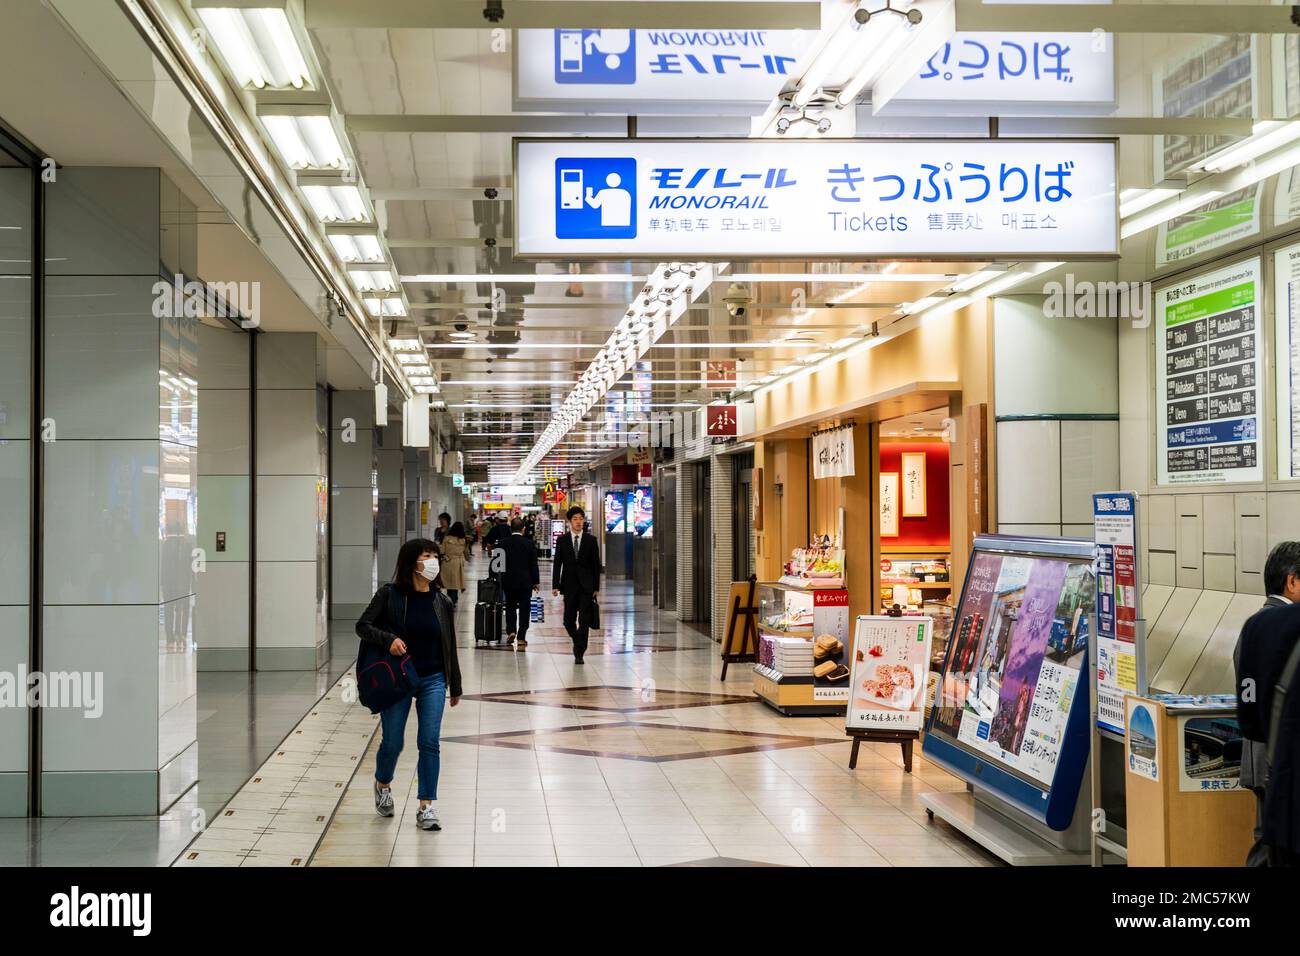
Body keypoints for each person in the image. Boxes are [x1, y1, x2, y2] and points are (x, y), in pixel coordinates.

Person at [355, 538, 463, 832]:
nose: (433, 562)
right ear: (411, 561)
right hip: (399, 678)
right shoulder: (390, 595)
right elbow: (362, 626)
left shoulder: (442, 601)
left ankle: (426, 807)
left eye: (435, 556)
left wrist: (455, 684)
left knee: (429, 741)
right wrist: (388, 641)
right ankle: (383, 783)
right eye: (426, 556)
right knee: (393, 741)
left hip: (433, 678)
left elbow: (449, 645)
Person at [1236, 541, 1300, 865]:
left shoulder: (1254, 626)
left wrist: (1255, 731)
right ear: (1292, 581)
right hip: (1280, 759)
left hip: (1257, 754)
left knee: (1264, 837)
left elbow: (1246, 689)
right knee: (1270, 844)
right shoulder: (1286, 629)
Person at [552, 505, 601, 664]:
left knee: (585, 620)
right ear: (569, 522)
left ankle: (580, 652)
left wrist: (596, 587)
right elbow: (557, 564)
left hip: (587, 586)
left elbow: (596, 565)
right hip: (569, 585)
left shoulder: (591, 540)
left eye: (581, 519)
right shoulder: (562, 540)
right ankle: (578, 640)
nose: (578, 522)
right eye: (575, 519)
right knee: (568, 620)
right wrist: (555, 585)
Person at [500, 517, 540, 650]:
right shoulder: (529, 544)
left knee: (510, 606)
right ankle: (522, 636)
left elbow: (496, 564)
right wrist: (536, 581)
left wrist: (495, 578)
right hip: (525, 582)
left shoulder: (502, 543)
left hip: (508, 581)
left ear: (511, 529)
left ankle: (511, 630)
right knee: (525, 608)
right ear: (523, 529)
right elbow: (533, 564)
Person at [440, 521, 467, 605]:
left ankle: (449, 600)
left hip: (447, 562)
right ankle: (454, 600)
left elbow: (442, 551)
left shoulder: (447, 538)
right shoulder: (463, 540)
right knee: (455, 583)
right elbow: (465, 552)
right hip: (458, 563)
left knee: (448, 583)